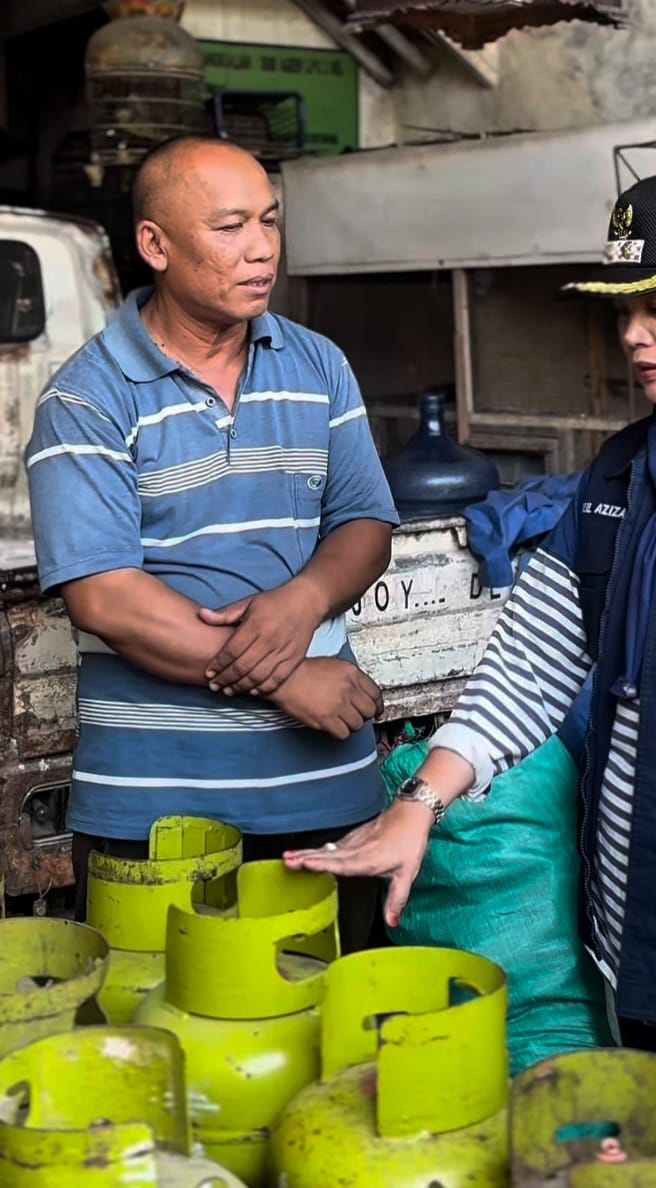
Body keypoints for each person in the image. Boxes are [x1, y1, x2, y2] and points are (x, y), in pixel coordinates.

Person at [285, 163, 656, 1186]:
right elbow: (532, 661)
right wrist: (424, 799)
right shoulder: (620, 479)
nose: (634, 336)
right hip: (641, 961)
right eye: (624, 310)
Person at [26, 136, 399, 950]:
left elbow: (364, 523)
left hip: (326, 791)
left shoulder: (318, 364)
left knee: (330, 1041)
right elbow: (108, 599)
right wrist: (286, 678)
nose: (261, 246)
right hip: (154, 816)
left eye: (269, 220)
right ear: (155, 245)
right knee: (168, 1042)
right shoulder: (86, 399)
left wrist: (303, 597)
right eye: (230, 227)